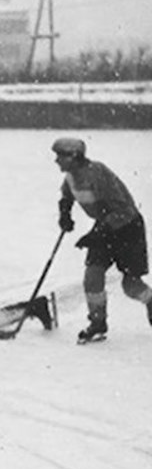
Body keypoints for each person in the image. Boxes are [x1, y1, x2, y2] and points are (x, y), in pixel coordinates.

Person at [53, 137, 152, 343]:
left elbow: (122, 209)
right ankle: (97, 323)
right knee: (92, 275)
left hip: (127, 227)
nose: (56, 161)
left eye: (60, 156)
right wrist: (64, 213)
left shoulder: (96, 173)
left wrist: (96, 235)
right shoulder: (71, 176)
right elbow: (67, 194)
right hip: (104, 226)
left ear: (73, 157)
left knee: (131, 285)